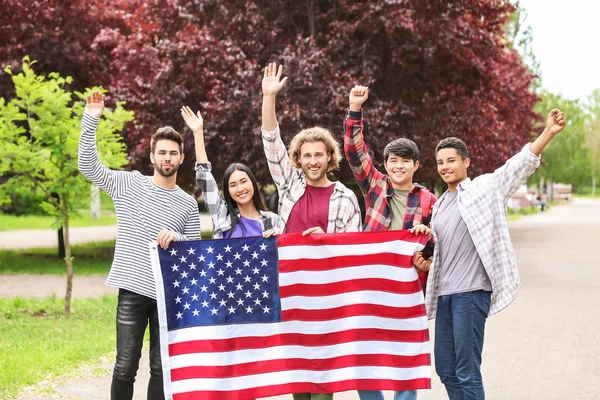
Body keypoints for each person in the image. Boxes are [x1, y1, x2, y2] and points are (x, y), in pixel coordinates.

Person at [427, 109, 566, 399]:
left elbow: (519, 165)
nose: (445, 167)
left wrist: (548, 133)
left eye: (451, 160)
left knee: (466, 370)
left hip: (471, 293)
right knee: (445, 368)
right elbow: (445, 250)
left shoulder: (484, 188)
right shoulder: (439, 205)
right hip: (445, 296)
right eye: (440, 162)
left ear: (466, 162)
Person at [78, 91, 201, 400]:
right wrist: (91, 119)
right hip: (132, 291)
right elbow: (88, 166)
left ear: (182, 158)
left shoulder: (188, 204)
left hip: (168, 295)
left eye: (173, 153)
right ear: (152, 156)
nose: (167, 158)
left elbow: (195, 254)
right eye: (162, 153)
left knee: (162, 369)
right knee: (124, 366)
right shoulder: (129, 184)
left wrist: (179, 239)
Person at [261, 63, 362, 400]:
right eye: (307, 155)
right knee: (297, 377)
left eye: (320, 154)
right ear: (299, 160)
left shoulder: (346, 199)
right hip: (290, 291)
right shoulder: (289, 186)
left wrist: (326, 240)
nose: (313, 160)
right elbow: (271, 141)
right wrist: (268, 97)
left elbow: (354, 250)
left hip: (328, 295)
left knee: (323, 377)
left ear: (330, 157)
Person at [343, 85, 437, 400]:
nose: (398, 166)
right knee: (365, 359)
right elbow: (355, 152)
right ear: (385, 165)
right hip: (369, 285)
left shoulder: (428, 199)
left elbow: (436, 244)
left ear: (416, 166)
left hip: (408, 289)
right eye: (393, 161)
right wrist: (355, 109)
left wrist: (427, 245)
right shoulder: (374, 188)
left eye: (405, 162)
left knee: (404, 360)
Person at [180, 105, 284, 238]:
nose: (240, 188)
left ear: (252, 184)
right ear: (228, 191)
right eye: (233, 185)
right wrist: (198, 133)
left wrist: (277, 241)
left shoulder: (274, 221)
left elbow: (286, 254)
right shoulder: (222, 214)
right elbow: (205, 178)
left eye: (243, 181)